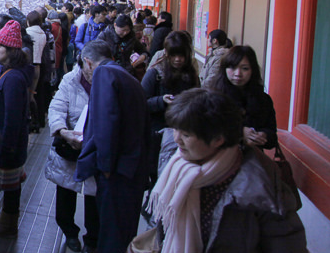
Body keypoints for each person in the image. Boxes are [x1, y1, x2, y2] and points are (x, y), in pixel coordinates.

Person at [138, 88, 315, 253]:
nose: (176, 139)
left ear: (219, 139)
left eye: (186, 134)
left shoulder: (261, 193)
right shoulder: (179, 169)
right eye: (176, 129)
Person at [77, 40, 151, 253]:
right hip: (131, 173)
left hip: (118, 175)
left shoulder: (106, 76)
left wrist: (104, 166)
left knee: (112, 246)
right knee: (118, 242)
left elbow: (106, 123)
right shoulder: (124, 75)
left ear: (89, 62)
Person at [47, 55, 101, 253]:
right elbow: (57, 107)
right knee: (66, 191)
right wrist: (62, 130)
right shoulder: (70, 80)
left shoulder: (106, 81)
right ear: (85, 63)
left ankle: (92, 240)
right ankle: (70, 233)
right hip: (70, 145)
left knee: (93, 195)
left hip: (95, 147)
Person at [0, 20, 32, 238]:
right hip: (12, 140)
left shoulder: (12, 78)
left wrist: (7, 146)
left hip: (11, 142)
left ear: (10, 50)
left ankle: (9, 223)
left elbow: (12, 117)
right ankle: (6, 216)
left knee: (11, 184)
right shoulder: (11, 72)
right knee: (11, 182)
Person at [142, 31, 201, 177]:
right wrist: (161, 100)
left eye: (181, 55)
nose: (177, 60)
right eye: (173, 55)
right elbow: (141, 103)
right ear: (166, 53)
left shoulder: (191, 74)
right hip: (158, 134)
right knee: (158, 177)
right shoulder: (155, 74)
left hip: (185, 134)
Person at [206, 45, 279, 149]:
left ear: (253, 70)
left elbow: (272, 136)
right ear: (224, 69)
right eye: (232, 67)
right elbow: (206, 130)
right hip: (219, 155)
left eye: (245, 68)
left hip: (251, 157)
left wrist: (263, 136)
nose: (238, 74)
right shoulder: (213, 97)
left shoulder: (263, 100)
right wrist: (240, 132)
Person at [98, 13, 149, 79]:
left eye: (128, 30)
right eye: (123, 30)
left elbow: (142, 50)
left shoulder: (131, 37)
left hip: (127, 72)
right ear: (115, 25)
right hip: (108, 73)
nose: (125, 33)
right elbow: (97, 54)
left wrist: (143, 56)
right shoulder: (104, 36)